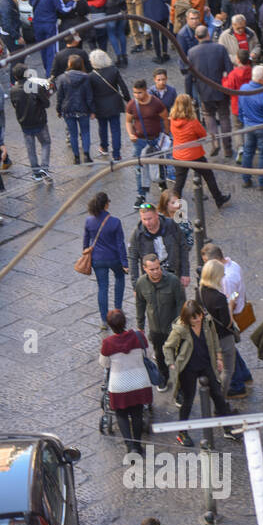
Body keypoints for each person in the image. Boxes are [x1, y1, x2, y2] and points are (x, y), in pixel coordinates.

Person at [164, 300, 238, 446]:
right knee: (188, 400)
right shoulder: (180, 329)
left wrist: (218, 357)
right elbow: (168, 347)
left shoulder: (207, 322)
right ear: (187, 318)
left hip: (206, 364)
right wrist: (171, 363)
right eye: (194, 318)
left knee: (218, 395)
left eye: (199, 316)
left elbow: (214, 338)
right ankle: (182, 433)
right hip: (188, 368)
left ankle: (228, 428)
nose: (198, 320)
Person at [99, 309, 152, 458]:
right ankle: (137, 445)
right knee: (137, 413)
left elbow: (104, 363)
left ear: (110, 326)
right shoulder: (139, 336)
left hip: (119, 386)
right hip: (139, 382)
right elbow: (147, 354)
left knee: (121, 415)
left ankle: (130, 446)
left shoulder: (107, 343)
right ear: (125, 321)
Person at [169, 94, 230, 208]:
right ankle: (218, 198)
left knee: (179, 183)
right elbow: (202, 134)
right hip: (194, 155)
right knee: (208, 175)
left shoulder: (172, 119)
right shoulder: (192, 122)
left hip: (178, 155)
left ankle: (175, 206)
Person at [134, 254, 184, 392]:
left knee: (177, 357)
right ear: (145, 269)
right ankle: (163, 378)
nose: (156, 271)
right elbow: (140, 304)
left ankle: (179, 388)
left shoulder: (173, 281)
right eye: (152, 269)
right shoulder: (141, 283)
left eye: (158, 268)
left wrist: (180, 325)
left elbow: (181, 303)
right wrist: (140, 326)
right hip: (155, 329)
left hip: (173, 328)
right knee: (160, 356)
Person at [186, 26, 233, 160]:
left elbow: (188, 77)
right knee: (224, 117)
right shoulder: (220, 48)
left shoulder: (191, 52)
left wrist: (189, 95)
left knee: (209, 116)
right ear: (209, 34)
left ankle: (215, 142)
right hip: (221, 89)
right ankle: (228, 148)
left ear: (196, 37)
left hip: (204, 92)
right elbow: (229, 69)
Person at [83, 192, 128, 329]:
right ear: (106, 205)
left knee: (102, 287)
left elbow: (86, 241)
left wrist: (85, 252)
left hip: (97, 259)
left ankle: (104, 319)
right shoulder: (115, 222)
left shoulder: (89, 221)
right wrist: (124, 263)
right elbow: (120, 244)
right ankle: (118, 311)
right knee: (120, 278)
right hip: (114, 258)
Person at [125, 78, 170, 205]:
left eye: (139, 93)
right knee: (139, 168)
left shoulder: (156, 103)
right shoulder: (132, 104)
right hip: (139, 141)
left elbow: (165, 118)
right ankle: (141, 194)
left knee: (159, 164)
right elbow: (128, 121)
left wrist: (166, 133)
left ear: (145, 91)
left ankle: (162, 185)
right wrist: (130, 134)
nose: (136, 95)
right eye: (134, 93)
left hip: (155, 139)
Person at [199, 259, 238, 397]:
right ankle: (221, 400)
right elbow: (227, 323)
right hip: (223, 338)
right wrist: (230, 306)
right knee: (227, 370)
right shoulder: (219, 297)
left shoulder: (201, 290)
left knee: (215, 369)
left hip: (209, 337)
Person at [238, 65, 263, 190]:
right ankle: (262, 181)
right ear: (261, 80)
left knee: (248, 152)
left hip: (248, 126)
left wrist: (243, 121)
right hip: (262, 129)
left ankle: (246, 179)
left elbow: (240, 110)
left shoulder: (243, 88)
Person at [89, 49, 130, 161]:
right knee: (116, 129)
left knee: (102, 127)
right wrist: (128, 99)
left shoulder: (91, 76)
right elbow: (123, 87)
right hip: (114, 104)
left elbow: (90, 94)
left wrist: (91, 108)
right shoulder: (113, 70)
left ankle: (104, 147)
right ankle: (116, 154)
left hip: (100, 106)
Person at [56, 53, 94, 164]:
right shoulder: (86, 77)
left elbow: (60, 96)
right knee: (85, 132)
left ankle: (76, 157)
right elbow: (89, 96)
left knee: (73, 134)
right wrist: (92, 110)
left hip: (68, 110)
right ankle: (86, 155)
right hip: (83, 109)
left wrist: (58, 109)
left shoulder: (63, 78)